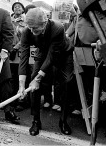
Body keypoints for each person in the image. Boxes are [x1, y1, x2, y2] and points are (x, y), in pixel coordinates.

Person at [18, 7, 74, 136]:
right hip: (43, 52)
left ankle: (63, 120)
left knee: (66, 81)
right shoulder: (27, 31)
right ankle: (36, 120)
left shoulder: (58, 27)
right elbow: (24, 58)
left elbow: (52, 56)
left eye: (35, 28)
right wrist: (22, 85)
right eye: (30, 28)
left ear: (44, 23)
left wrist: (38, 79)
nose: (32, 31)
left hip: (63, 54)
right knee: (33, 83)